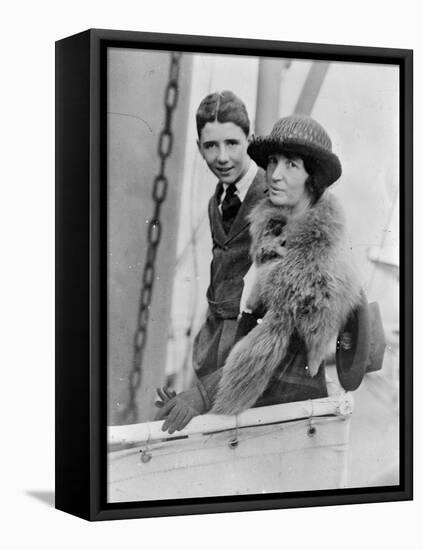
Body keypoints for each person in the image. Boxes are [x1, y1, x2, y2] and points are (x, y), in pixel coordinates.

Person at [156, 114, 365, 431]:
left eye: (291, 165)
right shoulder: (278, 231)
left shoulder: (316, 263)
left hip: (292, 418)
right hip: (267, 402)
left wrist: (200, 396)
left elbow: (272, 352)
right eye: (273, 162)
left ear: (313, 179)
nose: (275, 175)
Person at [155, 91, 266, 429]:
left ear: (249, 139)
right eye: (210, 146)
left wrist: (203, 395)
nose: (222, 157)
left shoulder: (271, 198)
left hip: (249, 368)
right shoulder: (215, 202)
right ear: (200, 146)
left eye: (232, 143)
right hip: (214, 360)